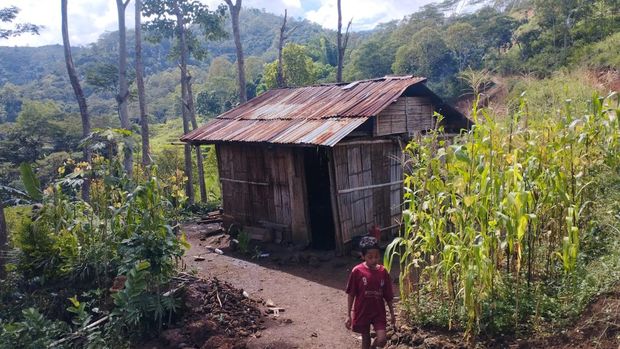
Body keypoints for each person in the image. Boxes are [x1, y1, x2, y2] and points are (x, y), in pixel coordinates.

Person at [345, 236, 396, 349]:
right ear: (363, 256)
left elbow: (388, 295)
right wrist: (348, 314)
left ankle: (373, 347)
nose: (374, 260)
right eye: (370, 257)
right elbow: (351, 293)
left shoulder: (383, 272)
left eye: (376, 256)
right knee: (365, 339)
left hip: (378, 311)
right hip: (363, 310)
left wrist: (392, 313)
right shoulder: (357, 271)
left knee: (382, 339)